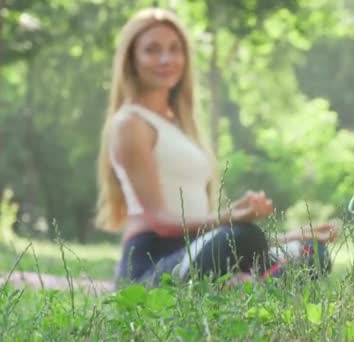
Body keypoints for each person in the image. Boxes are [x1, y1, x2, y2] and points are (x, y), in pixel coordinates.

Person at [95, 8, 337, 287]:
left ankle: (240, 285)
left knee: (312, 252)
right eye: (152, 50)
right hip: (152, 264)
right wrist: (231, 215)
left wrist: (290, 236)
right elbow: (161, 221)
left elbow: (207, 237)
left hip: (200, 249)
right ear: (131, 60)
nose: (166, 59)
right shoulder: (131, 122)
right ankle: (242, 284)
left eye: (175, 49)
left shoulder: (181, 127)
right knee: (240, 235)